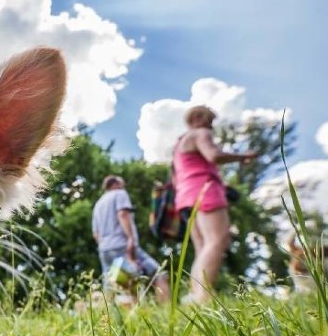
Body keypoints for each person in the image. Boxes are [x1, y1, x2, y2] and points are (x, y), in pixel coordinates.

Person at [173, 105, 258, 304]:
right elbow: (213, 156)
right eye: (210, 121)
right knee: (218, 240)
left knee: (203, 246)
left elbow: (178, 177)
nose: (211, 127)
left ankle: (195, 295)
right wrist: (242, 156)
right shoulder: (200, 133)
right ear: (197, 118)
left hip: (185, 197)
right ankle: (202, 297)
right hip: (205, 190)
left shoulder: (179, 146)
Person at [92, 175, 170, 304]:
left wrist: (105, 245)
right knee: (159, 274)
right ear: (116, 184)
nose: (124, 187)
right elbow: (122, 214)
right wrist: (130, 239)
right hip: (122, 245)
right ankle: (167, 310)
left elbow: (96, 234)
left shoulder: (98, 204)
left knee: (112, 284)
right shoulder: (120, 194)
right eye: (122, 184)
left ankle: (107, 316)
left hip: (104, 250)